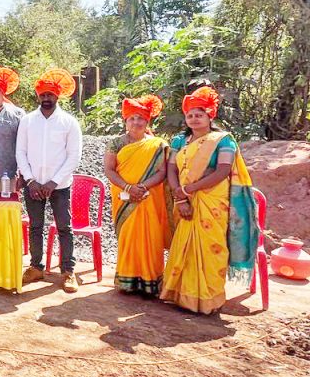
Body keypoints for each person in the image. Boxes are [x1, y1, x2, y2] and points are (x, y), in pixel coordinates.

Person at [160, 86, 260, 314]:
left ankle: (206, 299)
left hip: (212, 203)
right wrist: (180, 196)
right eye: (190, 115)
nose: (194, 119)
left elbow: (223, 171)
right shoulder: (179, 142)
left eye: (199, 114)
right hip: (184, 199)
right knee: (183, 245)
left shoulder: (223, 140)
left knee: (211, 248)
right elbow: (171, 170)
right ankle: (179, 295)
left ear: (210, 116)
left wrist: (190, 188)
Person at [17, 69, 83, 292]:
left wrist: (53, 182)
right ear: (38, 95)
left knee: (64, 227)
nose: (46, 98)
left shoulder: (69, 122)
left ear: (58, 96)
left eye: (50, 95)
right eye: (43, 94)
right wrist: (31, 181)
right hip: (33, 186)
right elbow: (20, 153)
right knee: (35, 227)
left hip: (60, 186)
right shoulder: (27, 121)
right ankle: (36, 267)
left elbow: (74, 156)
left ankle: (68, 272)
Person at [104, 94, 170, 297]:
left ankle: (151, 282)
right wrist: (128, 188)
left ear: (147, 121)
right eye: (132, 118)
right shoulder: (116, 143)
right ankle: (127, 281)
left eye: (141, 118)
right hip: (125, 199)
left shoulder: (157, 144)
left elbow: (162, 172)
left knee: (151, 237)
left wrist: (141, 187)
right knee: (129, 237)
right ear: (126, 121)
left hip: (149, 196)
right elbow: (109, 169)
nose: (136, 122)